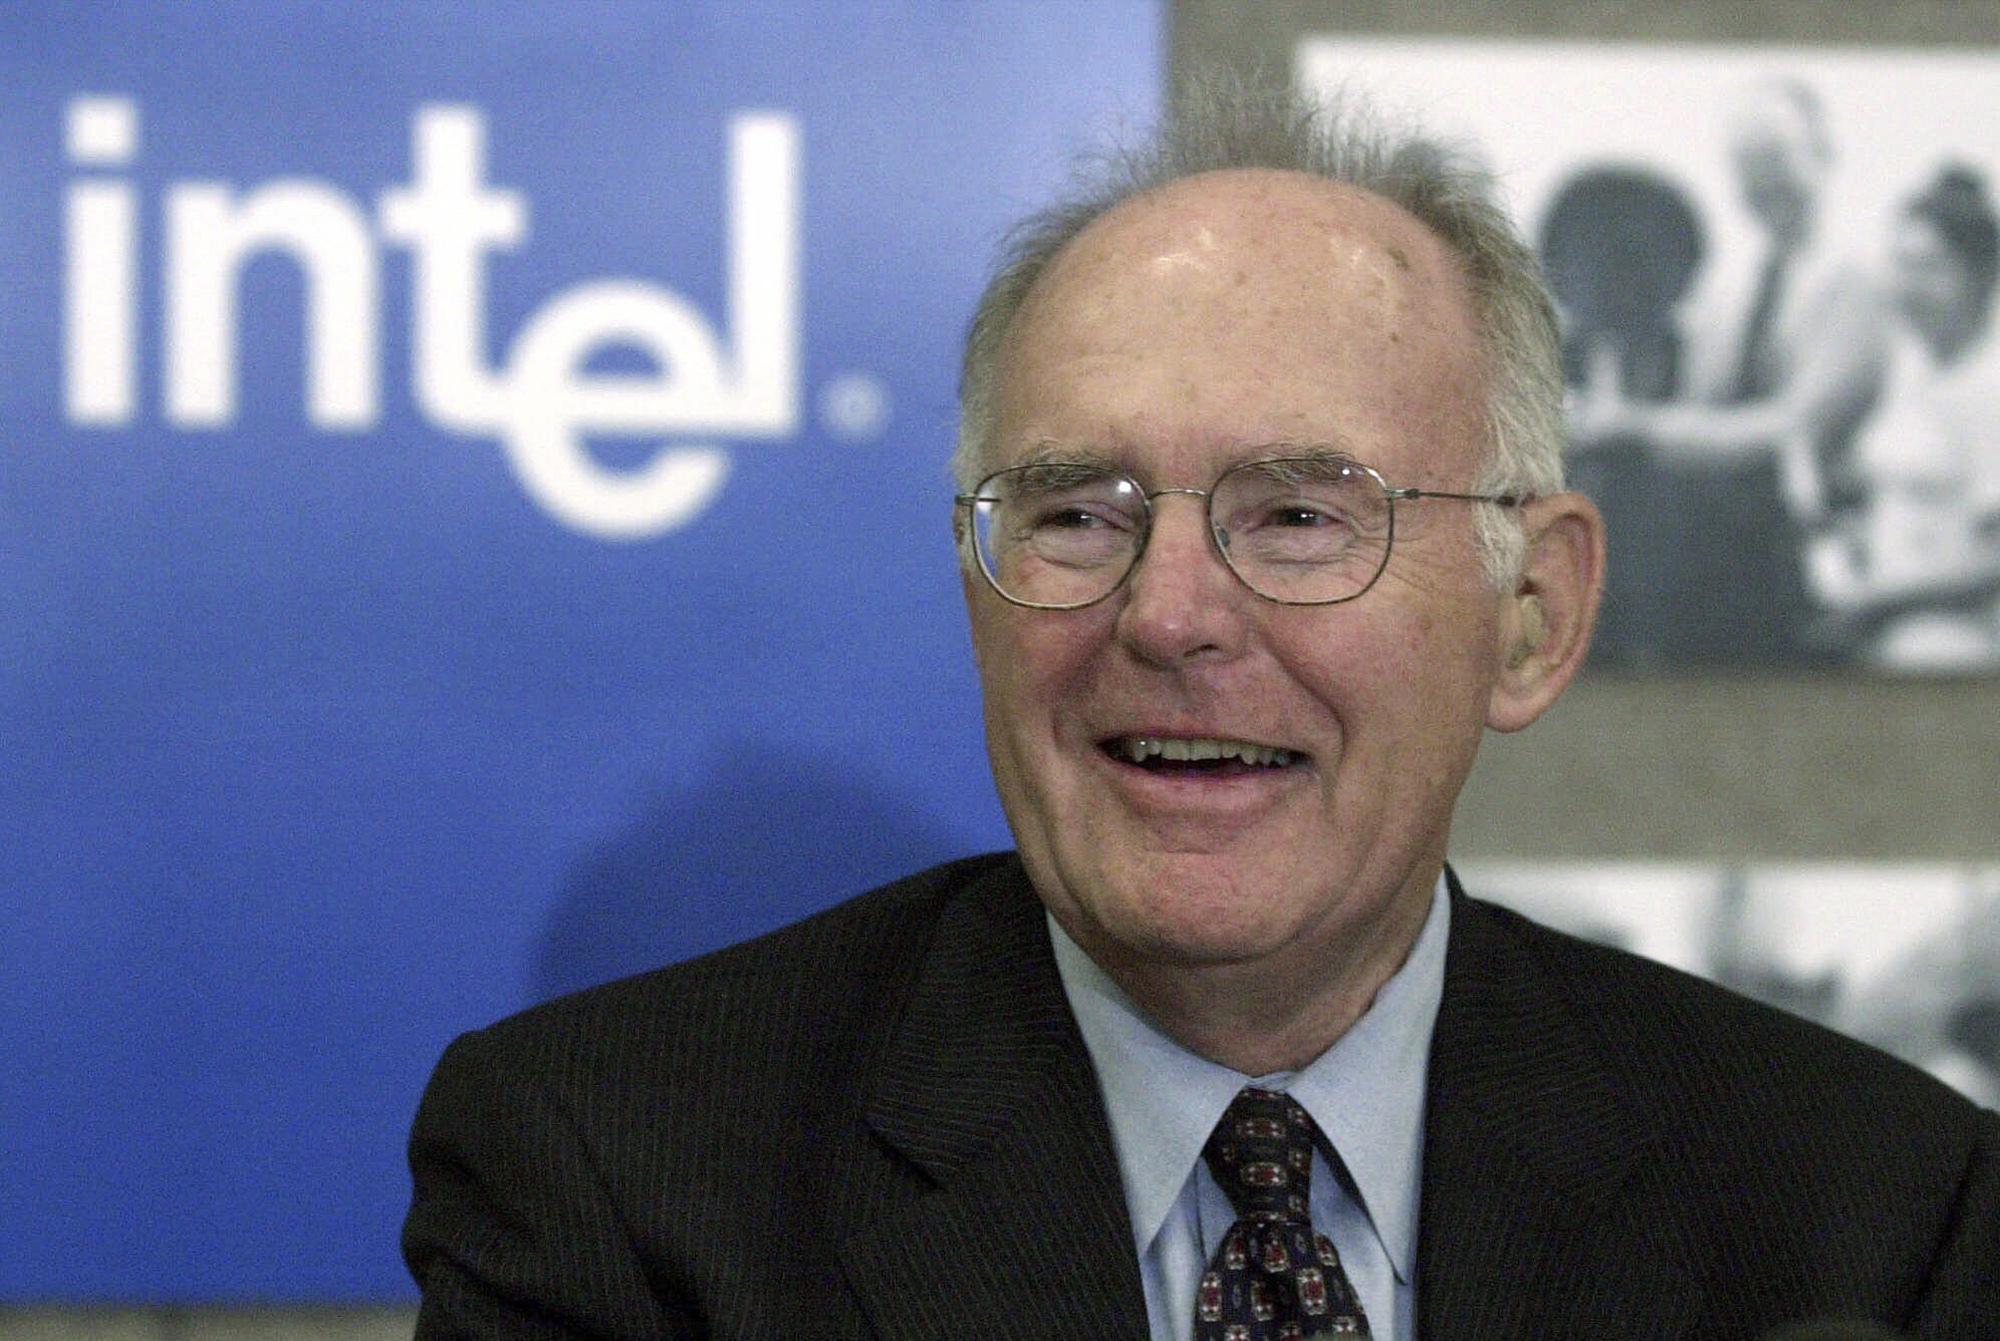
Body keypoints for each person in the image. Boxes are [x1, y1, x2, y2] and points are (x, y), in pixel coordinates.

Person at [402, 83, 1999, 1340]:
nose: (1166, 614)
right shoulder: (614, 1179)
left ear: (1533, 617)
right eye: (1078, 512)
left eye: (1303, 514)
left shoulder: (1866, 1216)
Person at [1570, 79, 1890, 664]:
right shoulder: (1740, 279)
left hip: (1819, 539)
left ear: (1823, 153)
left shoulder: (1858, 280)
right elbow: (1699, 405)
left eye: (1777, 157)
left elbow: (1790, 431)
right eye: (1747, 164)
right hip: (1736, 533)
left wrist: (1632, 426)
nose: (1763, 180)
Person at [1805, 166, 2000, 670]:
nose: (1910, 288)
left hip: (1957, 638)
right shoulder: (1908, 371)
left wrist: (1874, 606)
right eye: (1902, 266)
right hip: (1881, 620)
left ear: (1982, 275)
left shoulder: (1989, 388)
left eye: (1930, 267)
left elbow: (1992, 566)